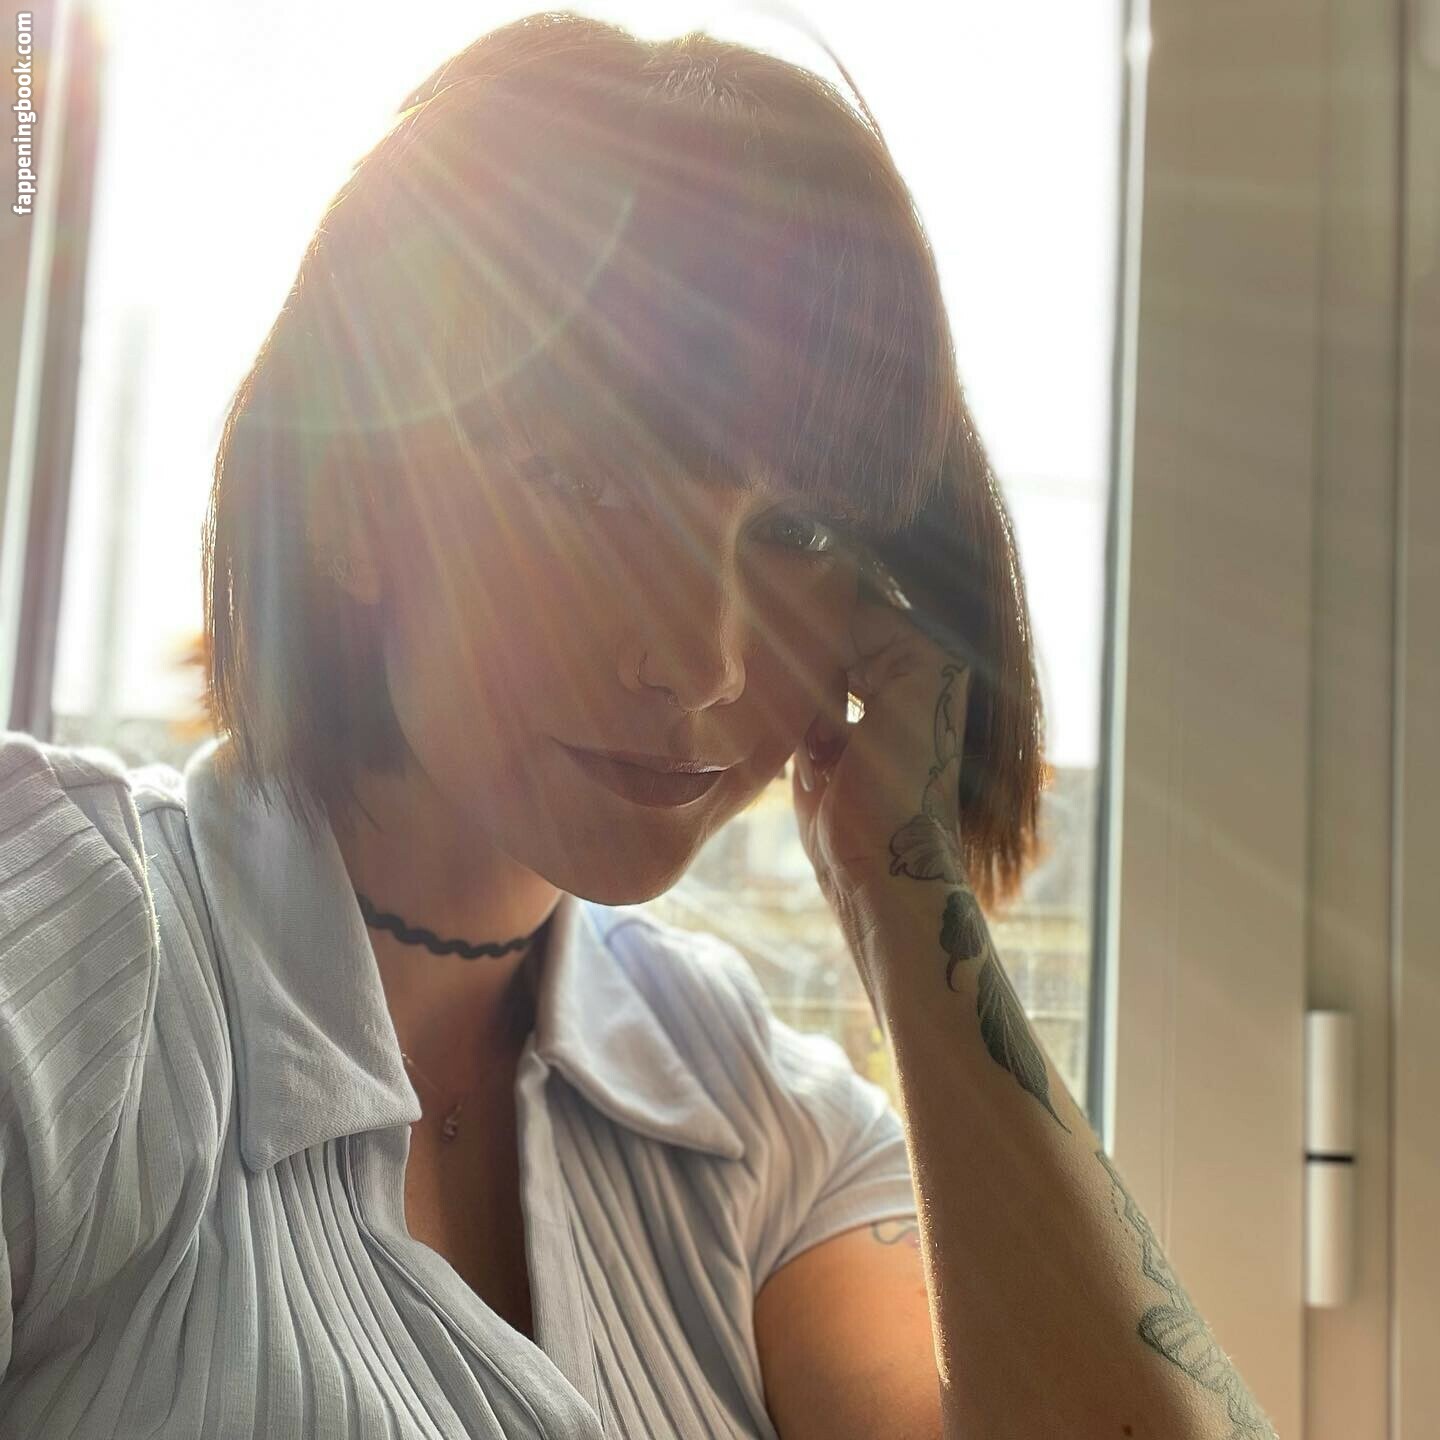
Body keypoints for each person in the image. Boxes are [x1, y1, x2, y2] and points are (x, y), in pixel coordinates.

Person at [0, 12, 1274, 1439]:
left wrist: (906, 893)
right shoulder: (66, 944)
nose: (702, 662)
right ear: (355, 500)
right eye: (587, 485)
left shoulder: (767, 1124)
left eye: (801, 532)